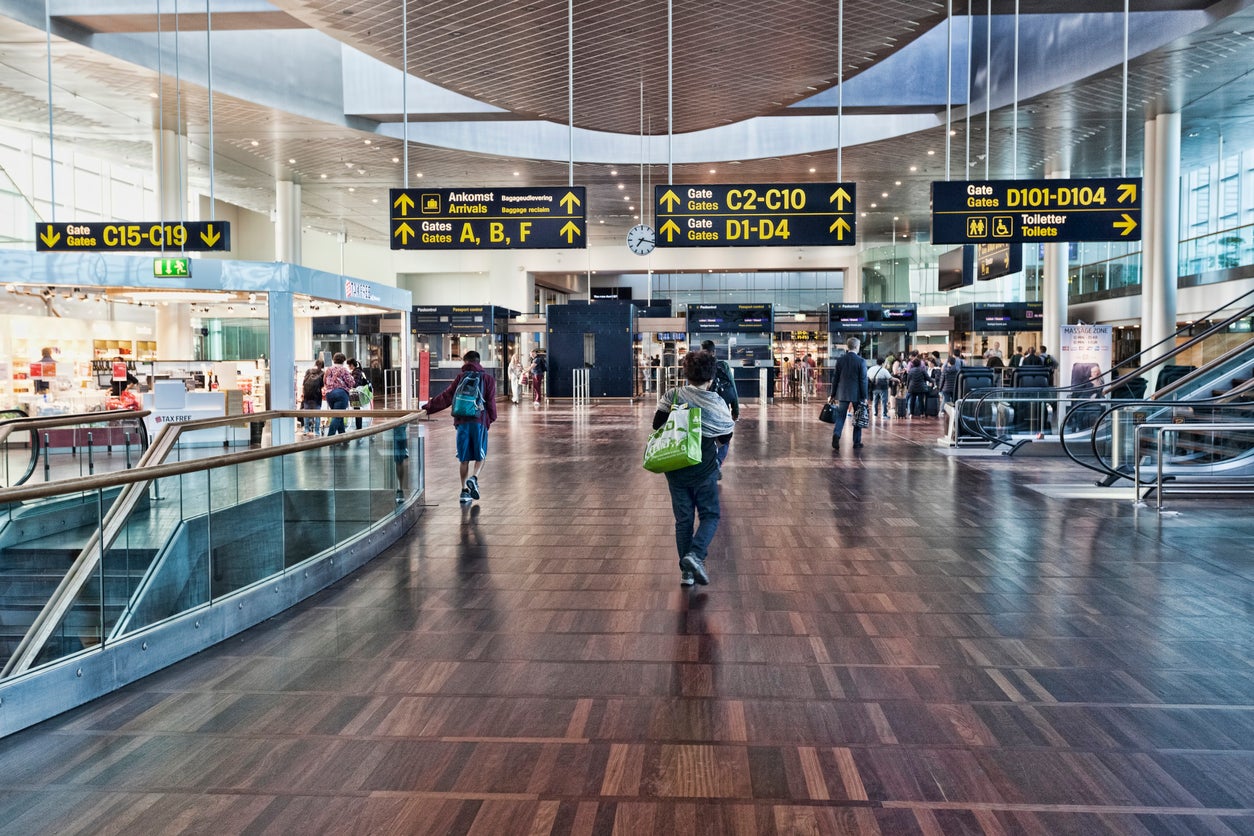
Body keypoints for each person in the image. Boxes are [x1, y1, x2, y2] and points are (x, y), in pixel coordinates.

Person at [653, 350, 734, 587]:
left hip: (675, 465)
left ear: (686, 374)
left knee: (683, 520)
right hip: (704, 466)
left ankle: (686, 574)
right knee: (710, 514)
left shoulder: (673, 394)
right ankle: (696, 555)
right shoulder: (715, 401)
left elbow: (657, 424)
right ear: (710, 377)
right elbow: (725, 435)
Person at [422, 350, 498, 504]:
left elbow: (446, 396)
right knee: (480, 456)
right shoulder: (488, 379)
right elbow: (490, 403)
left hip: (462, 422)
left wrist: (427, 407)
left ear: (465, 362)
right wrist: (491, 418)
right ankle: (474, 478)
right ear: (478, 361)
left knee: (463, 459)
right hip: (479, 422)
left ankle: (464, 491)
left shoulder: (460, 378)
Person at [700, 340, 739, 468]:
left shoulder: (698, 366)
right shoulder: (723, 366)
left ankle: (708, 464)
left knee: (706, 437)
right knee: (724, 435)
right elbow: (732, 387)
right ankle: (716, 463)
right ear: (714, 352)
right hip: (722, 408)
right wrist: (735, 409)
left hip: (704, 409)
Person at [827, 337, 869, 449]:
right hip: (857, 394)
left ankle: (837, 434)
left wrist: (832, 394)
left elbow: (835, 378)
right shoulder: (861, 361)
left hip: (843, 393)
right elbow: (863, 380)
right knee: (858, 416)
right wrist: (865, 396)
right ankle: (856, 442)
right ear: (857, 347)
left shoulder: (840, 360)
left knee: (841, 416)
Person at [321, 353, 356, 436]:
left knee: (339, 415)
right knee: (337, 416)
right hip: (341, 393)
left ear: (333, 360)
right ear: (343, 361)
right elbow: (351, 383)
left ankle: (342, 435)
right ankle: (330, 437)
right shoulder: (343, 370)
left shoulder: (328, 369)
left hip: (329, 394)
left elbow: (324, 381)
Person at [299, 359, 324, 436]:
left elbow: (303, 384)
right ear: (322, 366)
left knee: (306, 413)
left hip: (307, 396)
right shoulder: (322, 373)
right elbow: (322, 385)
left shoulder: (308, 371)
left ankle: (306, 429)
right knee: (317, 414)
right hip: (317, 396)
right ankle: (316, 431)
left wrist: (303, 394)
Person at [348, 358, 369, 430]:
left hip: (356, 392)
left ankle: (359, 427)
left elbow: (354, 383)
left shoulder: (356, 372)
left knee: (357, 409)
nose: (348, 367)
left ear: (351, 365)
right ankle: (358, 426)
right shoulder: (359, 370)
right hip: (358, 391)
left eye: (349, 365)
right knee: (357, 408)